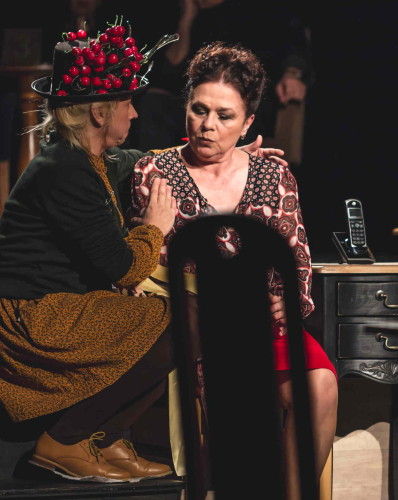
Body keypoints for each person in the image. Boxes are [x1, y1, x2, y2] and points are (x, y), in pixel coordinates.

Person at [0, 19, 281, 483]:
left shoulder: (89, 159)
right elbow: (123, 268)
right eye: (127, 103)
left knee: (190, 313)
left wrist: (231, 156)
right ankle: (65, 440)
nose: (134, 114)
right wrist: (153, 228)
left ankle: (104, 438)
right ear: (99, 113)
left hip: (57, 306)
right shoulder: (63, 170)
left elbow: (149, 161)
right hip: (32, 320)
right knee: (187, 316)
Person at [131, 41, 338, 498]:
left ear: (247, 124)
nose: (207, 125)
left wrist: (288, 300)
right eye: (199, 109)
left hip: (266, 327)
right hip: (197, 329)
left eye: (224, 116)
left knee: (320, 385)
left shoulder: (273, 175)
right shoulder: (156, 172)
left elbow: (297, 256)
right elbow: (150, 266)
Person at [125, 0, 311, 152]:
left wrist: (292, 73)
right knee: (153, 102)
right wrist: (186, 20)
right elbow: (171, 67)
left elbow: (293, 41)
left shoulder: (256, 10)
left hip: (244, 97)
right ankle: (159, 173)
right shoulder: (183, 11)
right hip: (195, 102)